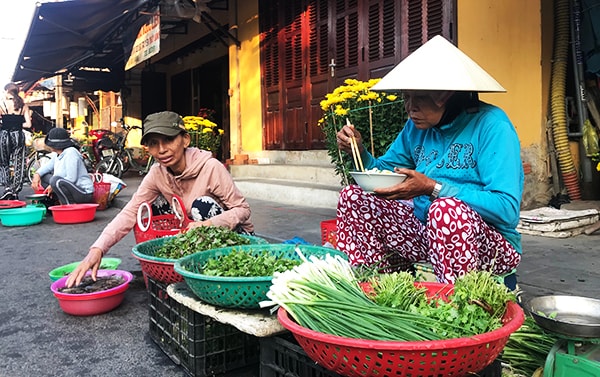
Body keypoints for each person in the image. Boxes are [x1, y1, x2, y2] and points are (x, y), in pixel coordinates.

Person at [335, 35, 523, 285]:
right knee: (354, 197)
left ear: (447, 96)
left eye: (420, 98)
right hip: (429, 232)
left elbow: (507, 209)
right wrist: (359, 151)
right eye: (406, 98)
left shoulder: (492, 126)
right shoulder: (416, 127)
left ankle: (459, 304)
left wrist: (434, 189)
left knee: (446, 210)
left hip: (490, 245)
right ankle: (387, 288)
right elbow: (382, 172)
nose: (410, 108)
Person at [66, 111, 254, 287]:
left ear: (185, 140)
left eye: (169, 140)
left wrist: (209, 224)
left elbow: (243, 210)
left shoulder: (210, 167)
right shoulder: (157, 172)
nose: (162, 149)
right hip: (198, 234)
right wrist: (98, 249)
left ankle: (213, 275)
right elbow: (131, 211)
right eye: (154, 143)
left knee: (200, 206)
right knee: (148, 209)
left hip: (234, 240)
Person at [31, 127, 94, 205]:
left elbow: (71, 179)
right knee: (44, 176)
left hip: (83, 192)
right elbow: (47, 167)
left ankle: (68, 206)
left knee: (55, 181)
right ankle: (57, 201)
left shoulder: (71, 153)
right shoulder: (57, 154)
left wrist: (52, 186)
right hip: (67, 186)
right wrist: (37, 175)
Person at [0, 83, 32, 200]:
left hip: (4, 135)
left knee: (4, 163)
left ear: (7, 91)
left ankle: (7, 188)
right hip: (18, 135)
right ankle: (15, 191)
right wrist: (17, 124)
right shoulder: (23, 105)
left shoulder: (2, 104)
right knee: (19, 162)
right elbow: (28, 124)